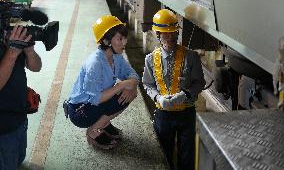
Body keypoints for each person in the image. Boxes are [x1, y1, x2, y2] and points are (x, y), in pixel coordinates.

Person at [142, 9, 205, 170]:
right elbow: (147, 84)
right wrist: (158, 98)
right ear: (158, 34)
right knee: (164, 154)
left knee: (187, 156)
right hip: (163, 115)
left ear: (177, 33)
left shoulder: (191, 56)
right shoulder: (150, 59)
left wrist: (185, 95)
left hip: (186, 113)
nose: (169, 37)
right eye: (165, 34)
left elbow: (200, 83)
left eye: (172, 33)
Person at [67, 15, 139, 150]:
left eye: (124, 38)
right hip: (81, 110)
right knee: (122, 92)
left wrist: (132, 84)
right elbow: (95, 99)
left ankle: (103, 123)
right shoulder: (95, 64)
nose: (125, 42)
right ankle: (94, 130)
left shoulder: (116, 56)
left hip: (95, 102)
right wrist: (121, 85)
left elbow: (132, 74)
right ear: (106, 41)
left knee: (131, 91)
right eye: (120, 38)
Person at [0, 0, 43, 169]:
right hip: (3, 128)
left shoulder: (7, 35)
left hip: (19, 116)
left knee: (18, 157)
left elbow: (36, 67)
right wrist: (12, 52)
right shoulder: (10, 44)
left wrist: (29, 50)